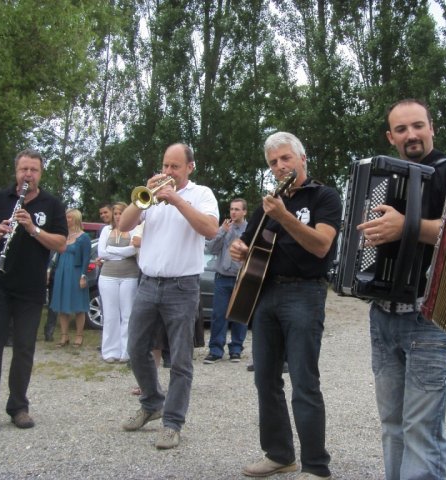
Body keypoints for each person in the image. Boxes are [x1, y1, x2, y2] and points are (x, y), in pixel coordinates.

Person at [231, 132, 342, 480]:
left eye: (285, 159)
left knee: (304, 381)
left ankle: (315, 466)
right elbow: (247, 247)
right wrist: (238, 250)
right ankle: (279, 455)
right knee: (265, 379)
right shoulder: (269, 204)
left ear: (302, 159)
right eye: (273, 162)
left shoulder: (324, 196)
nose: (280, 167)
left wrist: (286, 216)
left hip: (305, 294)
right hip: (265, 294)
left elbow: (322, 245)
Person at [356, 99, 446, 479]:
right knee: (392, 425)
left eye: (418, 126)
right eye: (401, 129)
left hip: (427, 315)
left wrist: (408, 227)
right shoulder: (383, 178)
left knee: (421, 430)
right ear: (390, 136)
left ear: (432, 127)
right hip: (381, 316)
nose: (411, 135)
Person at [118, 143, 218, 450]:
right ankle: (152, 403)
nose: (168, 173)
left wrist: (176, 200)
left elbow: (211, 229)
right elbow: (123, 225)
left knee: (181, 360)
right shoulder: (152, 197)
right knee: (135, 348)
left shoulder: (202, 194)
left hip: (182, 286)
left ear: (190, 167)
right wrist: (143, 201)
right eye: (165, 166)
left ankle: (172, 422)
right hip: (148, 284)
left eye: (174, 167)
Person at [0, 148, 67, 435]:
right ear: (16, 172)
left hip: (31, 288)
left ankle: (18, 407)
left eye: (33, 170)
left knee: (24, 348)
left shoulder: (52, 204)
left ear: (40, 173)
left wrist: (32, 229)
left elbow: (60, 244)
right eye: (24, 170)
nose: (28, 175)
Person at [203, 198, 249, 364]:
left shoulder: (250, 230)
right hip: (222, 278)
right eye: (231, 209)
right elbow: (210, 249)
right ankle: (215, 350)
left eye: (237, 209)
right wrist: (222, 231)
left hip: (241, 279)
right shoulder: (224, 228)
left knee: (239, 315)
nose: (233, 212)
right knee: (218, 315)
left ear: (244, 212)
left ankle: (236, 349)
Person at [97, 202, 140, 363]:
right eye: (115, 213)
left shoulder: (134, 229)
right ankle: (109, 351)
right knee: (110, 314)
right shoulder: (106, 231)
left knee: (128, 314)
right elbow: (101, 252)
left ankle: (126, 351)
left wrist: (111, 252)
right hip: (108, 275)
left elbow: (133, 250)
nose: (117, 216)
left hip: (129, 275)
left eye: (120, 213)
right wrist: (122, 253)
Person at [49, 208, 92, 348]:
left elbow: (86, 258)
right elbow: (56, 255)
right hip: (62, 272)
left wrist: (83, 276)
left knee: (79, 306)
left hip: (76, 272)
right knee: (62, 304)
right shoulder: (63, 236)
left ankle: (79, 336)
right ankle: (64, 336)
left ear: (76, 219)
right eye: (65, 217)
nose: (66, 220)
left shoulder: (83, 237)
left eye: (69, 217)